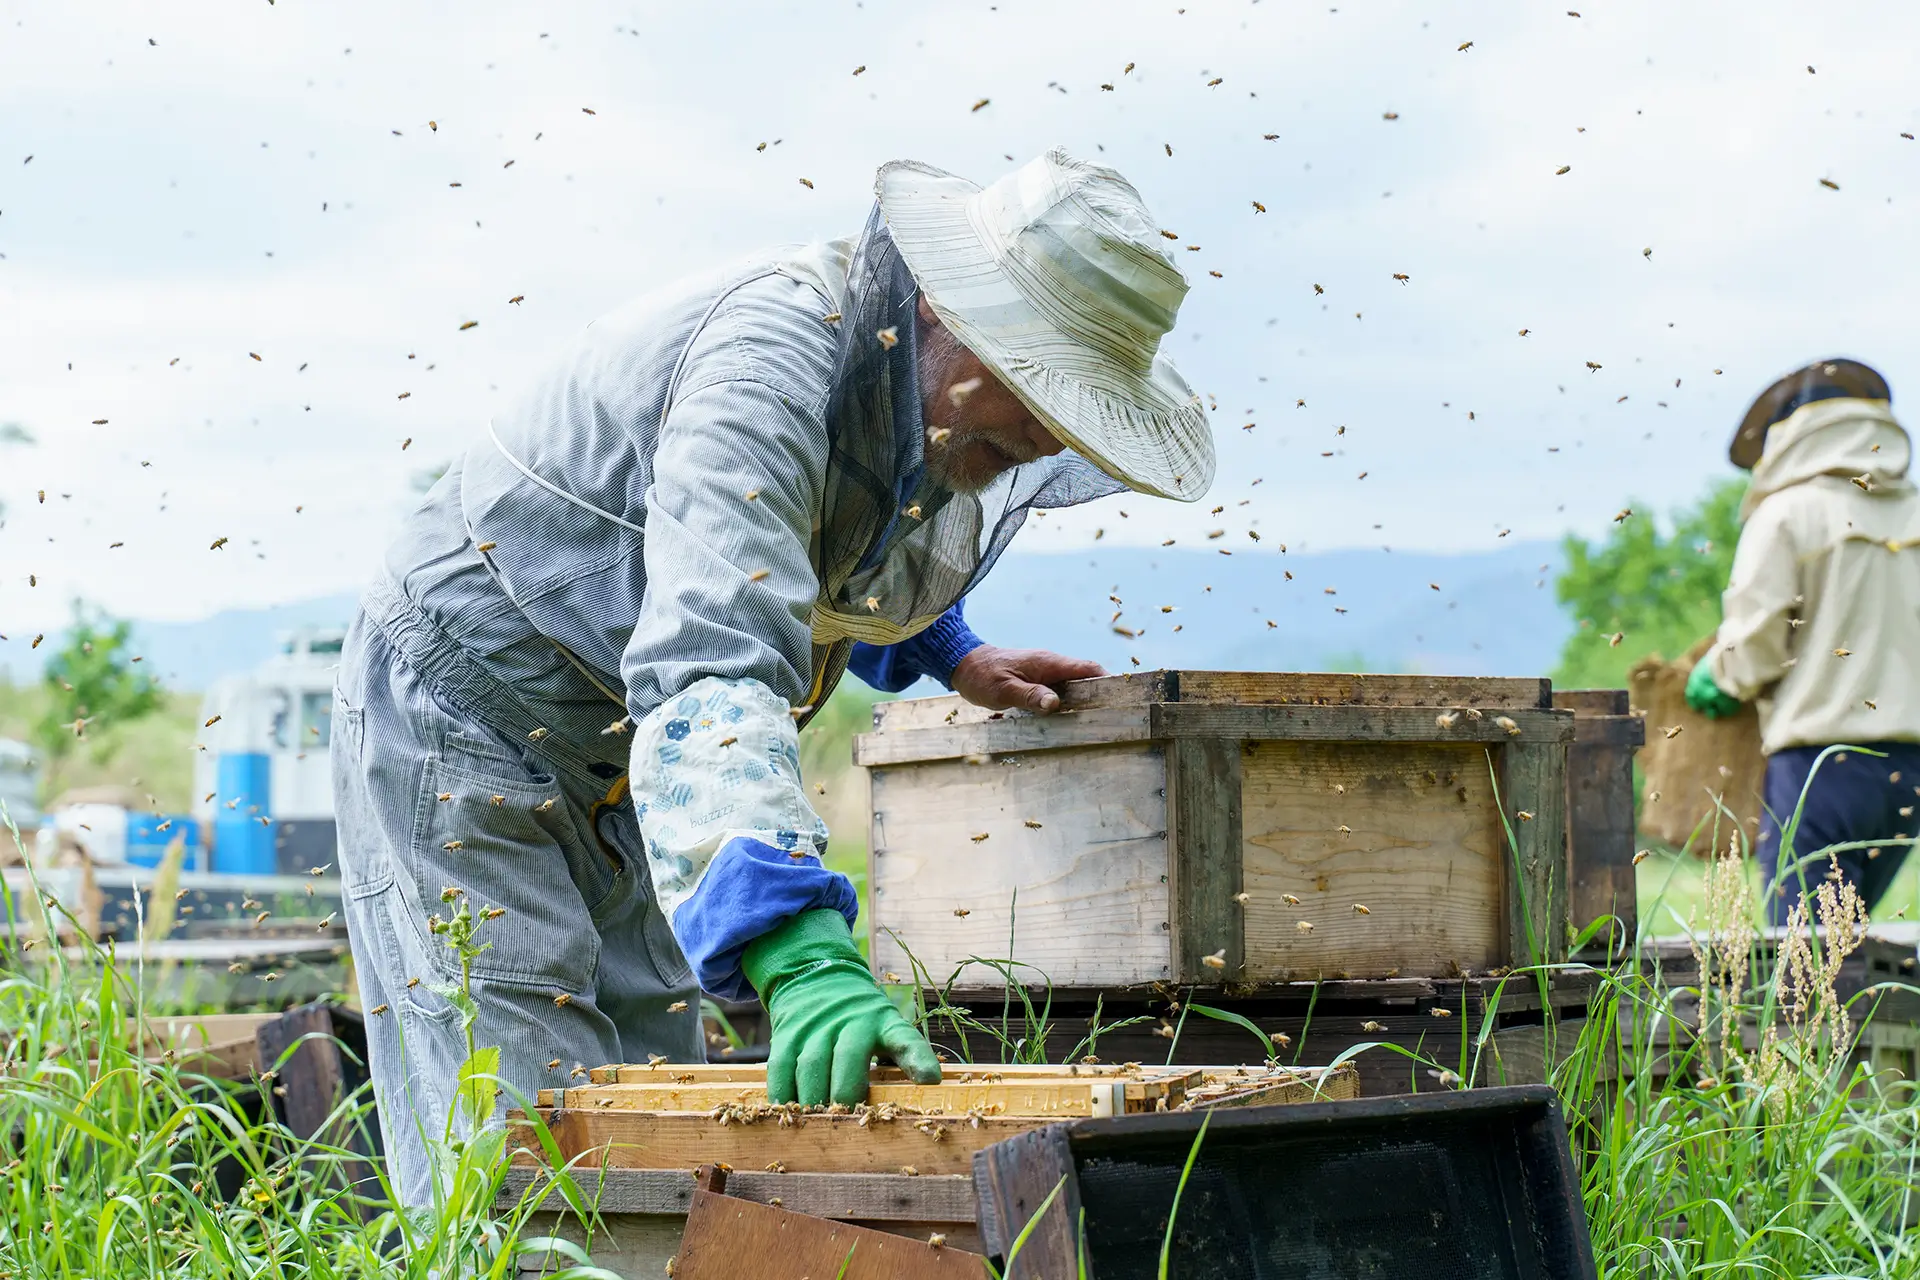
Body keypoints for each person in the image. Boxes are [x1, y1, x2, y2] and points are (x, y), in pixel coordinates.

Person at [330, 147, 1215, 1202]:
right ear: (943, 307)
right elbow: (710, 656)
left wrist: (948, 649)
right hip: (469, 712)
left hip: (626, 751)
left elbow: (827, 539)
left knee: (642, 1119)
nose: (1040, 432)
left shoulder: (896, 373)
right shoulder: (765, 364)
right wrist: (801, 954)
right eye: (1034, 383)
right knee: (516, 1115)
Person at [1686, 358, 1920, 922]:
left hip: (1822, 765)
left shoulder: (1788, 513)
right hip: (1908, 774)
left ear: (1789, 432)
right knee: (1847, 950)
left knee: (1802, 967)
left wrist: (1718, 674)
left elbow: (1759, 638)